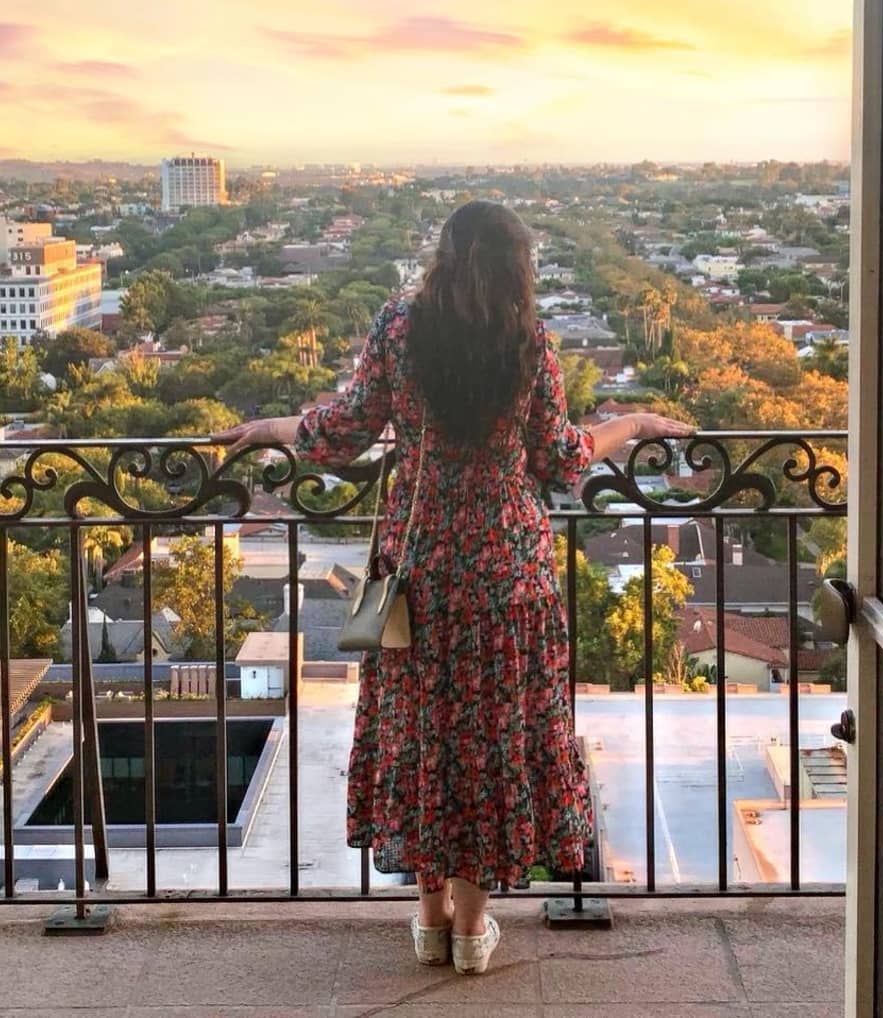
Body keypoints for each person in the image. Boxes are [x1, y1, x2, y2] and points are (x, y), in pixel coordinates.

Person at [211, 201, 691, 975]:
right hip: (508, 574)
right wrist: (632, 424)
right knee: (492, 746)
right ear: (515, 267)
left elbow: (344, 430)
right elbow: (563, 458)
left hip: (419, 569)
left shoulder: (400, 329)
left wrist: (270, 428)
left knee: (425, 740)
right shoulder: (527, 341)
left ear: (444, 256)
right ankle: (472, 931)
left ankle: (429, 921)